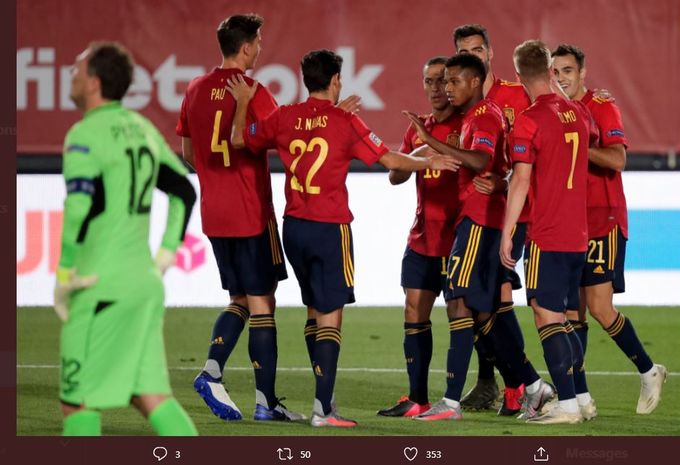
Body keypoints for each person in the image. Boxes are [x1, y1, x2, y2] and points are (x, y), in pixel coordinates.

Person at [227, 49, 460, 426]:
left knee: (313, 312)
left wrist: (242, 104)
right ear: (335, 80)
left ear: (305, 80)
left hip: (294, 227)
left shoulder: (283, 117)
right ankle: (323, 410)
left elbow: (240, 138)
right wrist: (427, 161)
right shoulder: (344, 122)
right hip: (329, 229)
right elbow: (390, 160)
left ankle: (326, 400)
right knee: (331, 318)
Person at [55, 42, 197, 436]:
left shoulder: (84, 134)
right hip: (143, 285)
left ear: (95, 83)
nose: (72, 74)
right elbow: (185, 192)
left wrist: (65, 274)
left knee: (77, 400)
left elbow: (78, 209)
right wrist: (166, 254)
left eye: (78, 69)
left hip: (99, 284)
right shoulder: (143, 129)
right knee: (151, 397)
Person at [403, 53, 551, 421]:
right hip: (478, 220)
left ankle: (451, 403)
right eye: (443, 82)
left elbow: (480, 161)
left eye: (454, 81)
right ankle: (533, 386)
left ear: (474, 82)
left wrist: (430, 142)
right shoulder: (474, 116)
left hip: (480, 220)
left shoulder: (484, 115)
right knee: (483, 310)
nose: (447, 88)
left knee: (460, 301)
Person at [176, 14, 305, 422]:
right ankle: (262, 401)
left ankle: (215, 373)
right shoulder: (254, 92)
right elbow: (276, 141)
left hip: (215, 213)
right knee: (263, 303)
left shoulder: (194, 89)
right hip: (251, 212)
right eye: (258, 42)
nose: (261, 49)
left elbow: (187, 153)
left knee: (239, 300)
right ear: (247, 46)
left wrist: (215, 180)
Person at [552, 44, 666, 414]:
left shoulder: (601, 106)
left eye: (568, 71)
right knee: (572, 314)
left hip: (604, 217)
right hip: (569, 222)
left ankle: (649, 370)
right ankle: (580, 398)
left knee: (600, 309)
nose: (561, 78)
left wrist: (575, 144)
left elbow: (617, 158)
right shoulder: (554, 112)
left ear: (582, 73)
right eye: (555, 71)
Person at [500, 39, 597, 424]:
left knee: (545, 314)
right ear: (552, 72)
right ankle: (583, 397)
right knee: (562, 316)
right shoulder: (578, 113)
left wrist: (508, 232)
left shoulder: (529, 118)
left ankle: (569, 405)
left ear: (520, 75)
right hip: (578, 233)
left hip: (547, 232)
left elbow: (520, 181)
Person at [452, 24, 533, 413]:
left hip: (516, 211)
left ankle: (521, 385)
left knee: (495, 296)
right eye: (467, 50)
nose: (476, 54)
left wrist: (505, 180)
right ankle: (493, 383)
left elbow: (549, 131)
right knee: (480, 299)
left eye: (479, 49)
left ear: (490, 53)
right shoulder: (461, 102)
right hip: (477, 213)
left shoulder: (517, 94)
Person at [376, 56, 463, 418]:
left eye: (442, 81)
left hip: (458, 237)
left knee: (464, 316)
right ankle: (417, 398)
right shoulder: (419, 129)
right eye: (428, 81)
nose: (435, 88)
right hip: (422, 237)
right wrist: (420, 153)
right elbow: (395, 176)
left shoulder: (466, 124)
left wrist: (438, 149)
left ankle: (467, 396)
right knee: (414, 311)